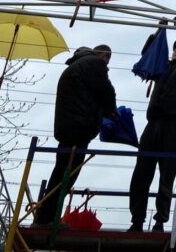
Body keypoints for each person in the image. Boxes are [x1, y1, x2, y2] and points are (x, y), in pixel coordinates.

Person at [128, 16, 176, 232]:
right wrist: (158, 31)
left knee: (167, 173)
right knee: (141, 172)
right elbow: (147, 54)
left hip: (173, 125)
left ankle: (160, 220)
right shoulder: (161, 68)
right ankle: (137, 220)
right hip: (153, 125)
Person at [34, 44, 117, 226]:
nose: (107, 65)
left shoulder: (75, 67)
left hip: (67, 127)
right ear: (103, 55)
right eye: (107, 60)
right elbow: (106, 90)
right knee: (68, 174)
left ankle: (45, 215)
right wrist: (111, 111)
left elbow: (89, 94)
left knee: (61, 172)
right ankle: (47, 217)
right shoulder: (94, 63)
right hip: (79, 128)